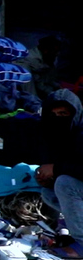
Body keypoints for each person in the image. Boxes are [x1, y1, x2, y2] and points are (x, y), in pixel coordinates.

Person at [38, 89, 83, 242]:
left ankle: (82, 242)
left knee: (65, 184)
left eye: (63, 114)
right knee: (48, 192)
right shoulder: (53, 135)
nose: (58, 119)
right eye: (54, 115)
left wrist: (56, 169)